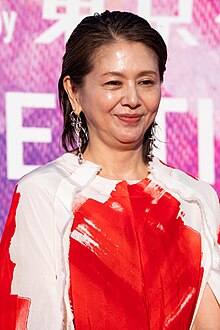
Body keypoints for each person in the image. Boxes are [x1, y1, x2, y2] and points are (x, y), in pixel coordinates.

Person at [0, 10, 219, 330]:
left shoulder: (195, 198)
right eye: (113, 83)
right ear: (74, 92)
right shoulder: (45, 193)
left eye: (146, 82)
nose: (132, 99)